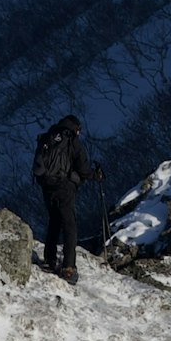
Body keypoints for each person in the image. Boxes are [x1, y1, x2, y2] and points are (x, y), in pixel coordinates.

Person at [32, 115, 102, 277]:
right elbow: (84, 169)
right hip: (64, 186)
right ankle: (68, 267)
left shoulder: (49, 136)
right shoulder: (72, 141)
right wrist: (95, 175)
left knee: (54, 222)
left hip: (46, 185)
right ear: (76, 128)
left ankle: (49, 260)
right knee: (69, 225)